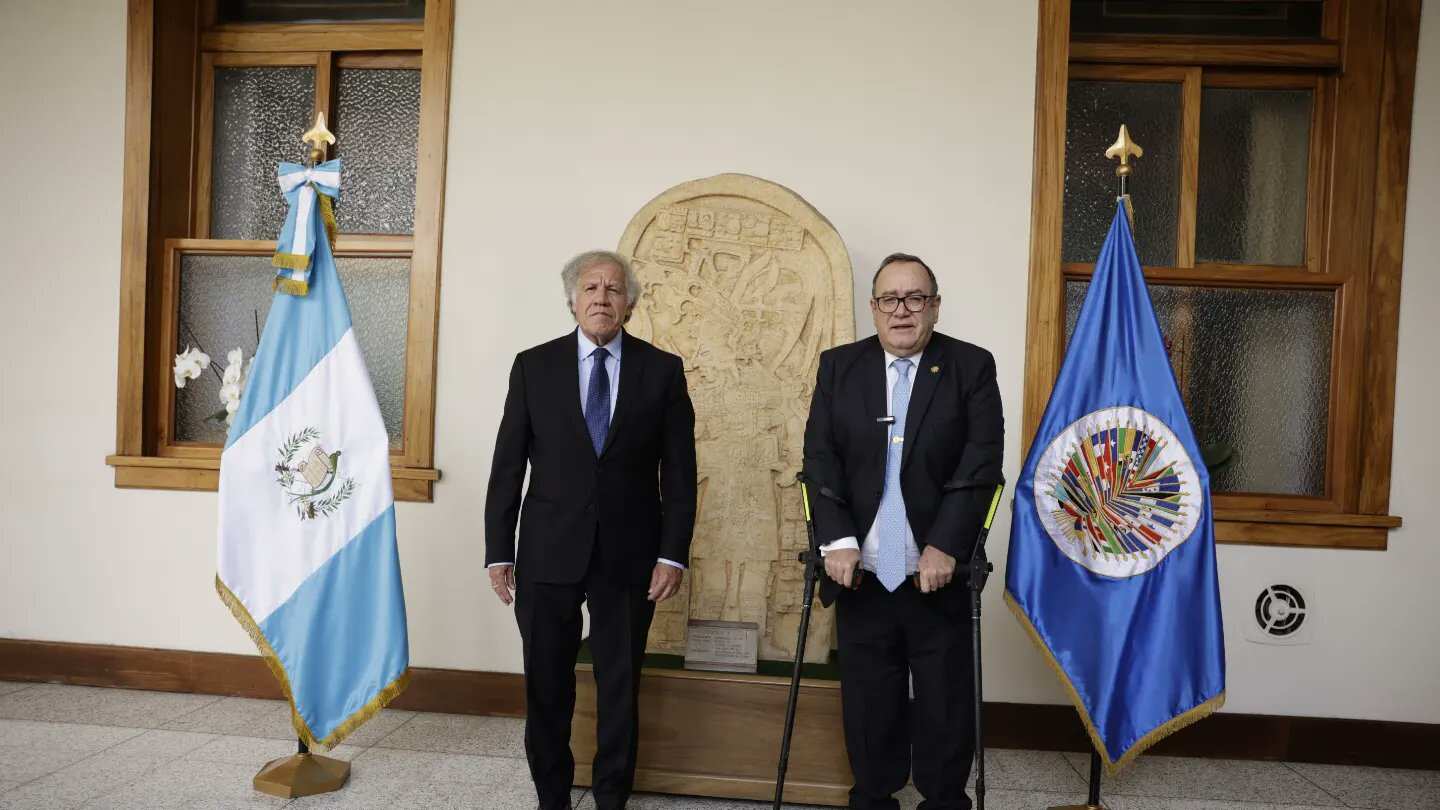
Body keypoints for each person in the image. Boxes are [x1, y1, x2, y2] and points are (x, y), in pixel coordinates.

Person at [485, 250, 697, 810]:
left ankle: (611, 798)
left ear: (630, 303)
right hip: (547, 552)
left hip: (630, 555)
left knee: (620, 685)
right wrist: (498, 551)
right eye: (591, 288)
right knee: (546, 684)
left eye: (613, 289)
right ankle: (551, 797)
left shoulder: (662, 370)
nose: (602, 297)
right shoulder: (533, 366)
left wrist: (673, 554)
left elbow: (680, 473)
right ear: (572, 300)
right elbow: (508, 466)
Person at [802, 253, 1004, 810]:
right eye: (890, 299)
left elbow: (980, 463)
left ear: (935, 307)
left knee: (944, 703)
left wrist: (946, 545)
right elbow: (820, 459)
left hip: (936, 572)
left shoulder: (970, 366)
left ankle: (943, 800)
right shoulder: (839, 367)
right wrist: (837, 541)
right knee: (869, 703)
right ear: (873, 307)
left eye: (915, 298)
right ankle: (873, 798)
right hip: (862, 571)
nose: (902, 310)